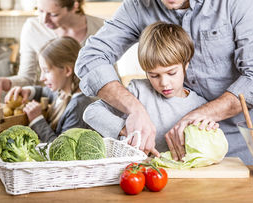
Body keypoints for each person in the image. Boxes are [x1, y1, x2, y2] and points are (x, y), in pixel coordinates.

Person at [75, 0, 253, 164]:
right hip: (186, 144)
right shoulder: (139, 4)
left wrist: (201, 114)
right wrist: (134, 110)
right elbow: (90, 58)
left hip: (251, 135)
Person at [84, 22, 218, 152]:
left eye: (171, 73)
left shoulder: (200, 106)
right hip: (137, 172)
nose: (164, 83)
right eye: (154, 75)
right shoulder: (138, 91)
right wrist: (127, 129)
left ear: (186, 65)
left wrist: (210, 132)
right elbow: (91, 112)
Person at [0, 0, 104, 108]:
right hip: (54, 113)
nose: (44, 20)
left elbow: (109, 79)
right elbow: (27, 78)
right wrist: (1, 82)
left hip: (96, 111)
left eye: (53, 14)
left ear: (74, 7)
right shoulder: (33, 28)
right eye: (40, 10)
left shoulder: (100, 28)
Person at [5, 37, 94, 143]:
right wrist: (27, 91)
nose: (41, 78)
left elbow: (62, 152)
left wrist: (37, 120)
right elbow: (44, 91)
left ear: (67, 70)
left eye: (46, 71)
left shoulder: (78, 107)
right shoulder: (61, 91)